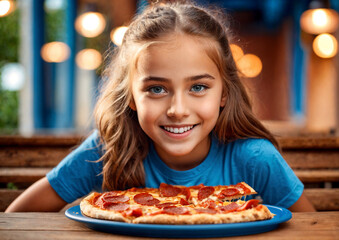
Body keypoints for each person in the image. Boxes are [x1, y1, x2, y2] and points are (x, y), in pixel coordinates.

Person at [6, 0, 315, 212]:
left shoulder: (255, 159)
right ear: (130, 96)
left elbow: (312, 229)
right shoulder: (108, 150)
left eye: (198, 87)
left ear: (224, 94)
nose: (178, 109)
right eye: (156, 88)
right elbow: (18, 215)